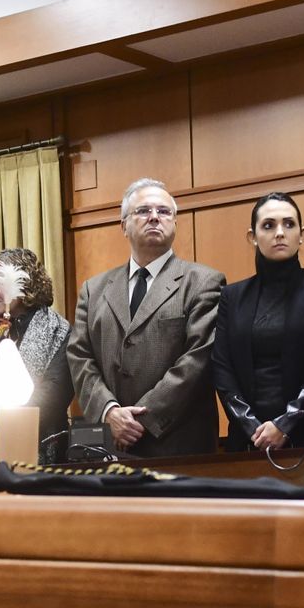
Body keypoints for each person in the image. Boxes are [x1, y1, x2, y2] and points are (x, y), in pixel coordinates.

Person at [67, 177, 225, 456]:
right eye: (143, 211)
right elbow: (80, 356)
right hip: (110, 446)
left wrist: (139, 421)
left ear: (174, 222)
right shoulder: (94, 290)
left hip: (179, 445)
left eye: (164, 211)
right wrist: (109, 411)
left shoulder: (203, 282)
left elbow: (197, 361)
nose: (154, 217)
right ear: (123, 225)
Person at [212, 192, 304, 452]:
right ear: (253, 237)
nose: (279, 233)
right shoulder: (232, 296)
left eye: (289, 224)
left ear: (302, 235)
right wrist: (251, 427)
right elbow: (222, 368)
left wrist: (286, 423)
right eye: (268, 225)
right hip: (247, 440)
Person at [0, 248, 73, 461]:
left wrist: (8, 426)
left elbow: (54, 394)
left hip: (47, 452)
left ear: (24, 281)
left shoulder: (59, 331)